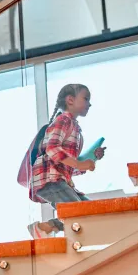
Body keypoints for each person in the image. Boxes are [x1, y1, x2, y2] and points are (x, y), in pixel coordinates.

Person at [28, 84, 106, 238]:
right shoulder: (64, 120)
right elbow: (52, 149)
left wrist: (92, 159)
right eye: (86, 98)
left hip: (59, 179)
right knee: (79, 213)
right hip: (50, 181)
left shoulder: (75, 128)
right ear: (70, 100)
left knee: (90, 212)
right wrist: (80, 163)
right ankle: (46, 228)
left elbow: (65, 164)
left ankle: (45, 227)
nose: (89, 103)